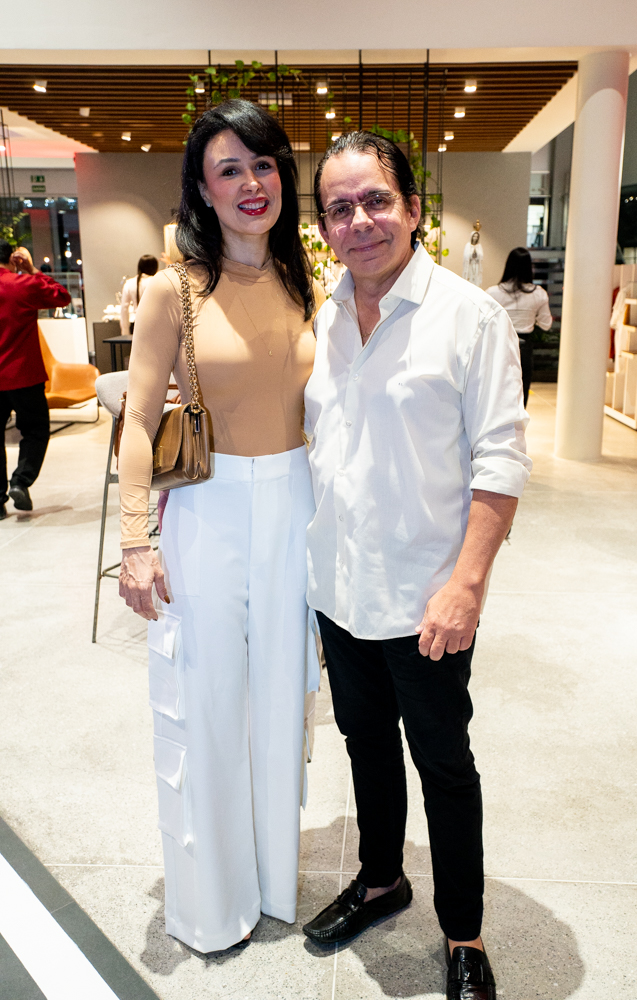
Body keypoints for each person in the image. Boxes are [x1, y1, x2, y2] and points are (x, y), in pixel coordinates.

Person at [301, 132, 531, 1000]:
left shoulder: (469, 318)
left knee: (442, 762)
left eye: (375, 201)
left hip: (426, 596)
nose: (358, 221)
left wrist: (466, 585)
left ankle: (463, 931)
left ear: (411, 209)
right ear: (324, 224)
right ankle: (380, 880)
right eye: (339, 208)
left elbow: (500, 463)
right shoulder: (324, 316)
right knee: (364, 745)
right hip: (340, 589)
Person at [117, 100, 324, 954]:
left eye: (262, 164)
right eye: (228, 169)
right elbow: (137, 420)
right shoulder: (174, 289)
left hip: (295, 508)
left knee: (280, 700)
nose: (250, 183)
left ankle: (272, 883)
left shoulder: (306, 282)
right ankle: (211, 901)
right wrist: (136, 540)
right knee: (204, 699)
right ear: (202, 189)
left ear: (283, 175)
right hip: (208, 509)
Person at [0, 241, 71, 519]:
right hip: (23, 374)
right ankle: (20, 481)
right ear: (12, 259)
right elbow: (62, 296)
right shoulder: (23, 285)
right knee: (36, 430)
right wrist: (31, 270)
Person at [486, 247, 552, 406]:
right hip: (524, 346)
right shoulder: (538, 294)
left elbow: (484, 322)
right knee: (522, 393)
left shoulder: (492, 293)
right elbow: (546, 324)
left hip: (500, 344)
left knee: (497, 391)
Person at [119, 254, 159, 336]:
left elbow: (124, 308)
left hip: (137, 325)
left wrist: (125, 331)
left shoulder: (130, 283)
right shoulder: (156, 281)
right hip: (156, 324)